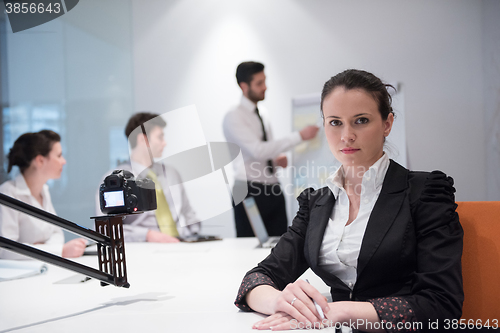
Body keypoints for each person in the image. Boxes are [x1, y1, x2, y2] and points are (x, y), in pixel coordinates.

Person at [234, 69, 463, 332]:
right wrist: (282, 302)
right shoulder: (317, 203)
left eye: (361, 120)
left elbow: (442, 304)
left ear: (387, 124)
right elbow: (255, 279)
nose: (346, 136)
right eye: (335, 122)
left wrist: (340, 311)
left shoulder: (424, 192)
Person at [223, 61, 319, 237]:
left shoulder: (263, 113)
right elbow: (258, 150)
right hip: (248, 190)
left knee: (280, 244)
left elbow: (263, 151)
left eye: (265, 81)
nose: (265, 87)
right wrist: (300, 136)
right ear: (244, 86)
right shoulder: (233, 116)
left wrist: (275, 160)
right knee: (250, 245)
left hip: (273, 187)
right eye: (259, 83)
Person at [96, 112, 200, 243]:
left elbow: (189, 215)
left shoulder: (172, 174)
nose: (165, 143)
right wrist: (148, 235)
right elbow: (107, 228)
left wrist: (194, 236)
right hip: (143, 248)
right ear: (142, 139)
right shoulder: (113, 181)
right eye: (160, 137)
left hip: (183, 244)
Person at [0, 130, 87, 259]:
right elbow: (6, 251)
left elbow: (57, 233)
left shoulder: (44, 191)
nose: (64, 161)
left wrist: (42, 248)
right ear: (40, 160)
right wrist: (57, 251)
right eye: (59, 156)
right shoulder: (7, 193)